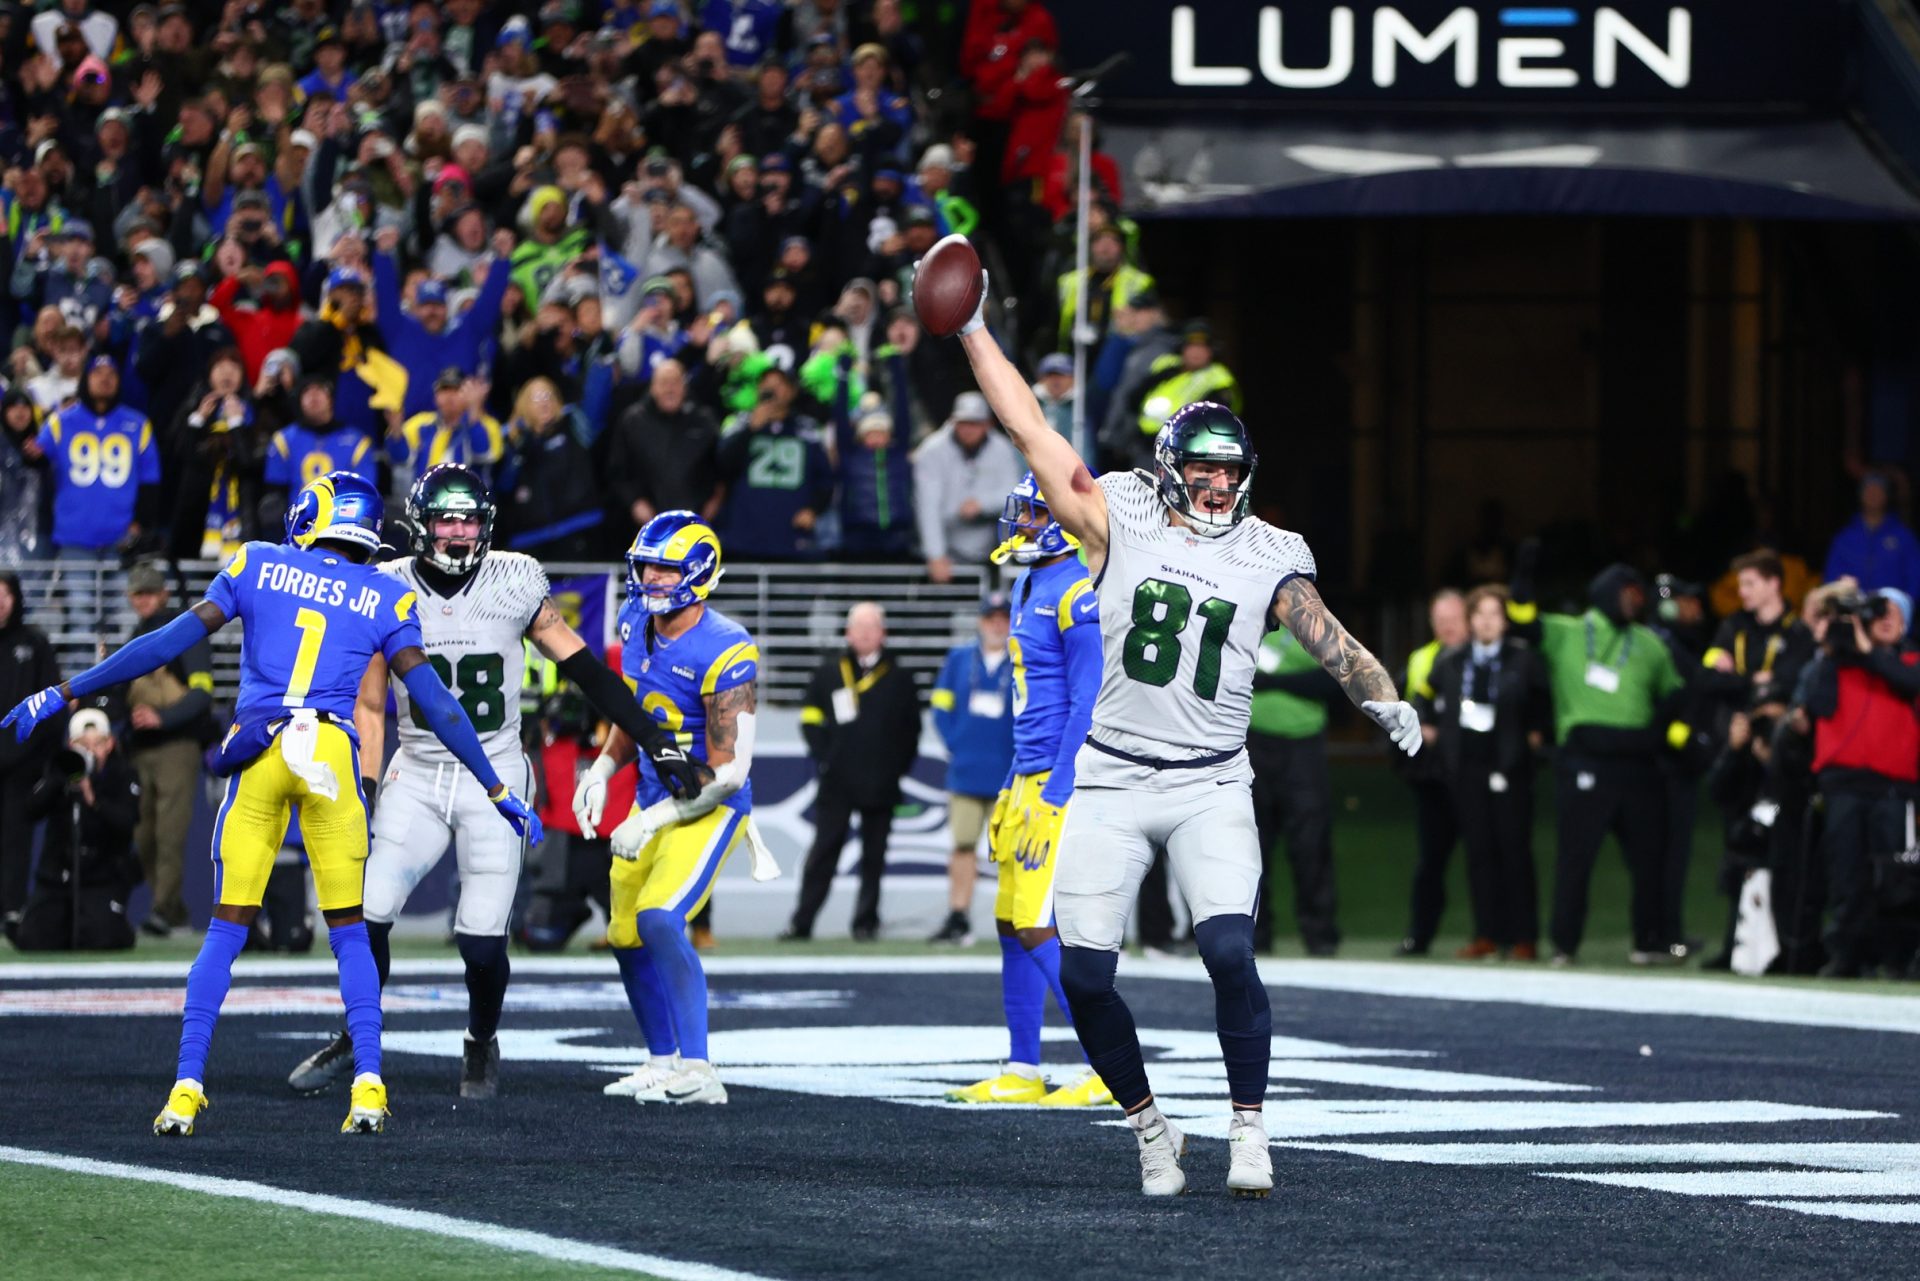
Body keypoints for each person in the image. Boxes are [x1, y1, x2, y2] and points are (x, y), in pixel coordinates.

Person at [951, 275, 1421, 1198]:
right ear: (1171, 464)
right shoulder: (1117, 512)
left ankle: (1249, 1127)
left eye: (1228, 472)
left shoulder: (1268, 551)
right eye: (1202, 467)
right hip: (1114, 779)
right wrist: (972, 329)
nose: (1215, 483)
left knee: (1229, 952)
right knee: (1085, 974)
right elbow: (1030, 430)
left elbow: (1323, 633)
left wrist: (1384, 696)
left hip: (1210, 783)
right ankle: (1150, 1126)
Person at [1, 471, 542, 1136]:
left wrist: (64, 692)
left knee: (225, 932)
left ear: (310, 516)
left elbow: (163, 643)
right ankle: (369, 1085)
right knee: (350, 936)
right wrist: (493, 783)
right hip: (332, 761)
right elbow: (435, 702)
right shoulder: (384, 591)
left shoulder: (257, 562)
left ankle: (185, 1089)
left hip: (262, 753)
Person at [287, 466, 704, 1100]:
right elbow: (371, 707)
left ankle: (481, 1039)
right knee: (364, 916)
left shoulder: (514, 580)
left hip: (496, 774)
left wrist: (655, 738)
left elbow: (586, 671)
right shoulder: (387, 584)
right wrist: (365, 787)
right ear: (420, 525)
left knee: (480, 941)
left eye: (469, 520)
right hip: (419, 772)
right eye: (446, 520)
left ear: (486, 525)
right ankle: (357, 1037)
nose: (458, 533)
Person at [572, 512, 765, 1106]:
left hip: (709, 807)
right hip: (651, 796)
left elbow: (730, 771)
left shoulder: (726, 647)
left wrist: (655, 818)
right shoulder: (636, 622)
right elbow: (636, 717)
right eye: (646, 565)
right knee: (625, 933)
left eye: (665, 568)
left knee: (659, 917)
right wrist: (603, 769)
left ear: (698, 575)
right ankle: (663, 1060)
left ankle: (702, 1068)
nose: (650, 578)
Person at [946, 474, 1110, 1107]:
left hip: (1062, 776)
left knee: (1041, 925)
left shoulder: (1076, 589)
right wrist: (1018, 780)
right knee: (1011, 924)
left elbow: (1086, 700)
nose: (1022, 526)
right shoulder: (1027, 582)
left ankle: (1109, 1067)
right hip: (1027, 771)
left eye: (1037, 515)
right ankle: (1023, 1065)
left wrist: (1058, 787)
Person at [1508, 550, 1685, 966]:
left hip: (1638, 763)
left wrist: (1665, 734)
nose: (1636, 601)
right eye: (1627, 593)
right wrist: (1522, 576)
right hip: (1585, 759)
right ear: (1606, 593)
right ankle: (1565, 946)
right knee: (1576, 857)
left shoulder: (1649, 644)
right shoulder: (1569, 631)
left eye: (1639, 594)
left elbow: (1674, 695)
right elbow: (1523, 620)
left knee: (1649, 859)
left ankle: (1648, 942)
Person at [1799, 579, 1920, 977]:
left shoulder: (1909, 662)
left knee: (1896, 879)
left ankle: (1896, 958)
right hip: (1843, 784)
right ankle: (1848, 955)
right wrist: (1829, 648)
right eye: (1878, 612)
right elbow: (1815, 703)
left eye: (1894, 613)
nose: (1885, 620)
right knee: (1846, 874)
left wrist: (1867, 651)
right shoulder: (1837, 662)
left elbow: (1908, 685)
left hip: (1894, 787)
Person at [1422, 585, 1549, 960]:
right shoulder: (1451, 661)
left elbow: (1542, 706)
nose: (1487, 621)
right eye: (1480, 614)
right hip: (1467, 769)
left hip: (1511, 769)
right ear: (1470, 620)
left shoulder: (1524, 660)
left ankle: (1523, 937)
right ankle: (1487, 935)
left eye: (1495, 614)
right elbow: (1427, 699)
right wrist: (1435, 734)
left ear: (1506, 621)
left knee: (1515, 852)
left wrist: (1534, 742)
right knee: (1479, 853)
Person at [785, 602, 925, 941]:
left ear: (883, 633)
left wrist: (895, 769)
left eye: (871, 627)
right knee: (823, 854)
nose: (863, 633)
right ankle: (802, 922)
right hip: (837, 781)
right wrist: (826, 758)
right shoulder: (829, 672)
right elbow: (810, 720)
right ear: (847, 633)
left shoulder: (900, 677)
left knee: (874, 857)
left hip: (881, 782)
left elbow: (912, 731)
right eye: (857, 627)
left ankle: (866, 923)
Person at [119, 562, 216, 939]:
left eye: (148, 593)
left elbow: (202, 693)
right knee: (143, 834)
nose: (143, 601)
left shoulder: (186, 632)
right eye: (136, 594)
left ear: (163, 594)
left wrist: (163, 717)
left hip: (177, 745)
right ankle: (172, 907)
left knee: (170, 834)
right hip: (141, 749)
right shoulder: (136, 633)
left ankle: (163, 909)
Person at [1247, 620, 1343, 957]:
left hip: (1303, 748)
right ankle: (1256, 936)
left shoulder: (1317, 629)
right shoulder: (1246, 618)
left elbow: (1331, 681)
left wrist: (1269, 681)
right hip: (1252, 744)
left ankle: (1321, 937)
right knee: (1252, 845)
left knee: (1311, 843)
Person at [927, 592, 1016, 947]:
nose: (997, 623)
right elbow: (939, 705)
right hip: (967, 768)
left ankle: (1014, 917)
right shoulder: (960, 658)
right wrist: (955, 741)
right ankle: (959, 915)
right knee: (963, 845)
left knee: (1011, 851)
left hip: (1009, 771)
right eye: (991, 617)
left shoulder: (1025, 656)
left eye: (1003, 617)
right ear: (980, 621)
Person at [13, 707, 140, 952]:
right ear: (71, 744)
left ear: (110, 744)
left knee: (103, 940)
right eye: (83, 744)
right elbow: (30, 810)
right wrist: (57, 780)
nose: (91, 751)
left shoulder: (123, 772)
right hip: (57, 877)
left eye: (98, 743)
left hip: (101, 878)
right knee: (34, 940)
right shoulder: (58, 767)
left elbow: (127, 823)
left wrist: (94, 801)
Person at [1396, 589, 1467, 956]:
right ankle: (1419, 936)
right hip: (1434, 778)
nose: (1447, 627)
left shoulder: (1482, 656)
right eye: (1440, 620)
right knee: (1430, 862)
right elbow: (1406, 708)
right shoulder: (1421, 659)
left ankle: (1494, 936)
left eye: (1453, 619)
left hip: (1474, 774)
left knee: (1486, 859)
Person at [36, 356, 162, 560]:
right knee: (79, 593)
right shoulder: (60, 422)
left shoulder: (138, 425)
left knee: (122, 592)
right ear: (85, 379)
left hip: (123, 538)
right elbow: (37, 461)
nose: (105, 379)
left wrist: (141, 523)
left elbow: (150, 481)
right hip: (74, 537)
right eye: (98, 373)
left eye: (111, 374)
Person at [714, 364, 835, 560]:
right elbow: (722, 465)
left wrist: (814, 509)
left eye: (779, 384)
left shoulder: (808, 430)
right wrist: (751, 429)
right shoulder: (738, 424)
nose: (771, 390)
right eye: (766, 384)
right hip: (744, 537)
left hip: (792, 537)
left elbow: (825, 479)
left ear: (792, 391)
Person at [0, 572, 63, 943]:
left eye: (5, 595)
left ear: (16, 599)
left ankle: (11, 909)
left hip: (22, 764)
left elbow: (51, 700)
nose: (0, 603)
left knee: (15, 839)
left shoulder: (35, 643)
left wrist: (39, 754)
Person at [912, 390, 1025, 584]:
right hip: (947, 550)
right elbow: (927, 507)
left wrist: (982, 503)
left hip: (990, 551)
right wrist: (936, 554)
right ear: (953, 421)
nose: (968, 429)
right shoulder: (931, 451)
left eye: (975, 423)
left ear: (987, 424)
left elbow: (1015, 495)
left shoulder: (1002, 448)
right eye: (963, 423)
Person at [1823, 472, 1920, 618]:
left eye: (1878, 490)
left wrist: (1902, 610)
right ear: (1860, 495)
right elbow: (1831, 579)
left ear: (1886, 496)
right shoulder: (1845, 537)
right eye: (1869, 489)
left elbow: (1915, 580)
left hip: (1891, 618)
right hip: (1852, 617)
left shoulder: (1904, 537)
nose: (1873, 494)